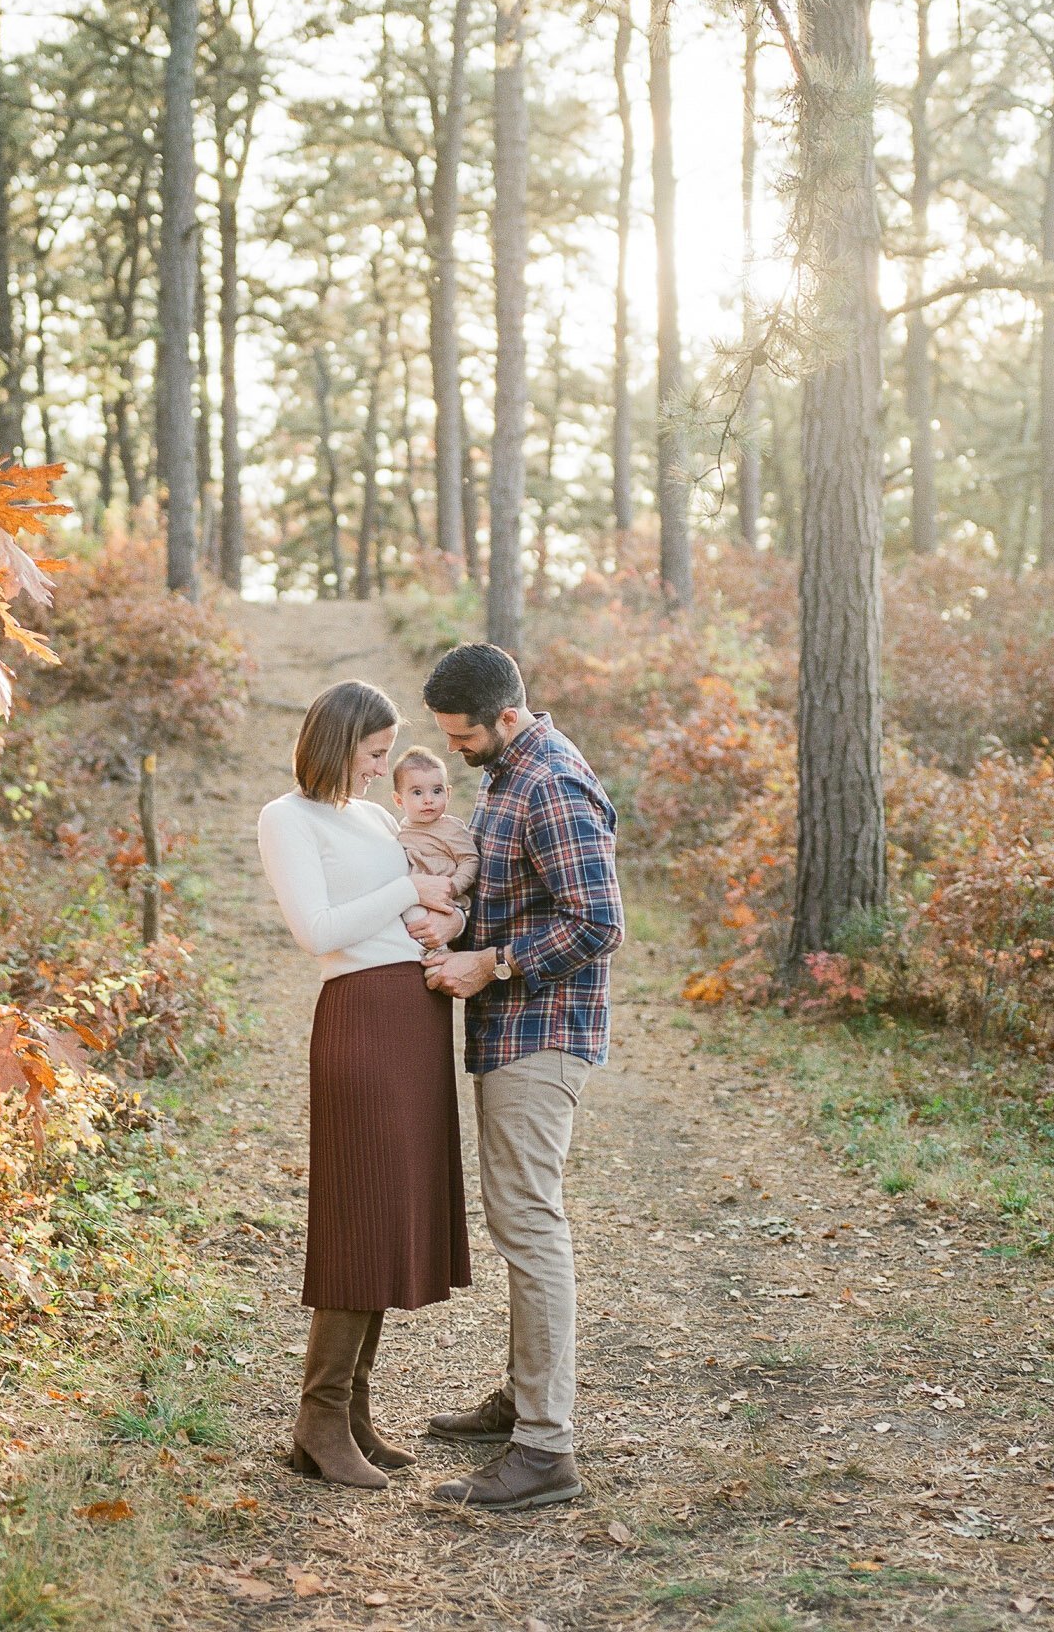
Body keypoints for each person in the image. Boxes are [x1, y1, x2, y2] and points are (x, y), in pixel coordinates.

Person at [420, 643, 623, 1511]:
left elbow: (599, 921)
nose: (453, 749)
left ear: (506, 716)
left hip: (542, 1033)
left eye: (462, 736)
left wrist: (492, 963)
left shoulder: (551, 784)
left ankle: (544, 1449)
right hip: (510, 1029)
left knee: (530, 1227)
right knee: (515, 1219)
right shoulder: (507, 771)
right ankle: (521, 1398)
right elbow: (516, 894)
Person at [257, 680, 471, 1491]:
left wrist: (445, 919)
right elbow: (316, 931)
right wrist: (407, 891)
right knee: (357, 1215)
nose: (385, 769)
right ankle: (317, 1419)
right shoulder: (288, 818)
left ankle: (351, 1412)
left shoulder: (377, 819)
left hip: (415, 1017)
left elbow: (425, 903)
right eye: (374, 753)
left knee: (385, 1220)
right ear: (338, 742)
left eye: (387, 755)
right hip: (361, 1018)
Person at [392, 744, 479, 925]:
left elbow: (470, 860)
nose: (428, 799)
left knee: (415, 917)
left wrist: (454, 886)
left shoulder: (451, 828)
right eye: (417, 792)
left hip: (446, 897)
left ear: (448, 794)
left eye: (437, 791)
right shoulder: (402, 830)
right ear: (399, 800)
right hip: (416, 896)